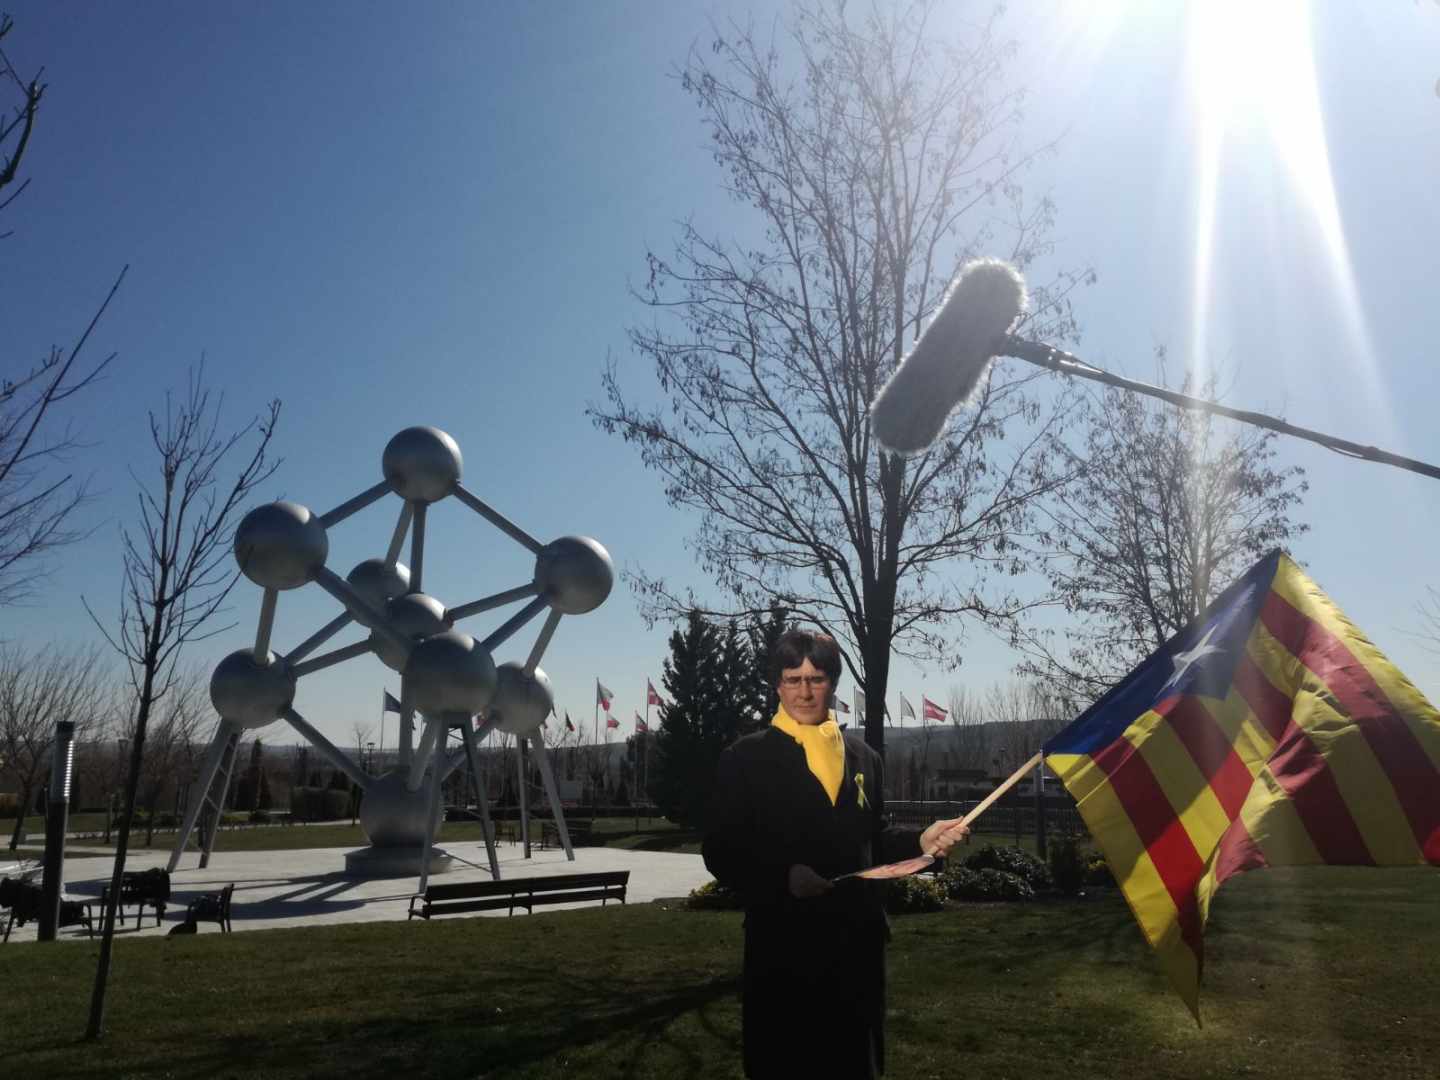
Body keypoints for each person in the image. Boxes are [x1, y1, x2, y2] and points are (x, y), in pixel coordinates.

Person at [702, 629, 971, 1079]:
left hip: (858, 953)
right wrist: (782, 876)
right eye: (793, 679)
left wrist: (921, 843)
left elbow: (873, 839)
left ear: (833, 683)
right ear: (777, 684)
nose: (805, 691)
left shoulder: (865, 757)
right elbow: (721, 851)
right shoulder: (744, 758)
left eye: (817, 678)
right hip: (783, 955)